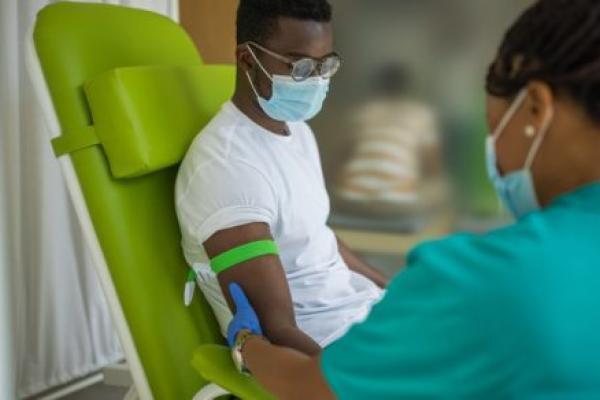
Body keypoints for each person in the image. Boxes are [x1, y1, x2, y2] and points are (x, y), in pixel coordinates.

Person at [225, 0, 600, 398]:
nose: (496, 158)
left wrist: (248, 342)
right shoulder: (236, 158)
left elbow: (309, 389)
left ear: (535, 111)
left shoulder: (478, 280)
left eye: (494, 130)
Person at [175, 0, 386, 358]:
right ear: (246, 60)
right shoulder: (227, 169)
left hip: (365, 315)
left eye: (325, 64)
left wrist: (394, 290)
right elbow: (279, 332)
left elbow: (319, 240)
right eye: (301, 67)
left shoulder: (298, 132)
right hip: (333, 346)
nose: (318, 80)